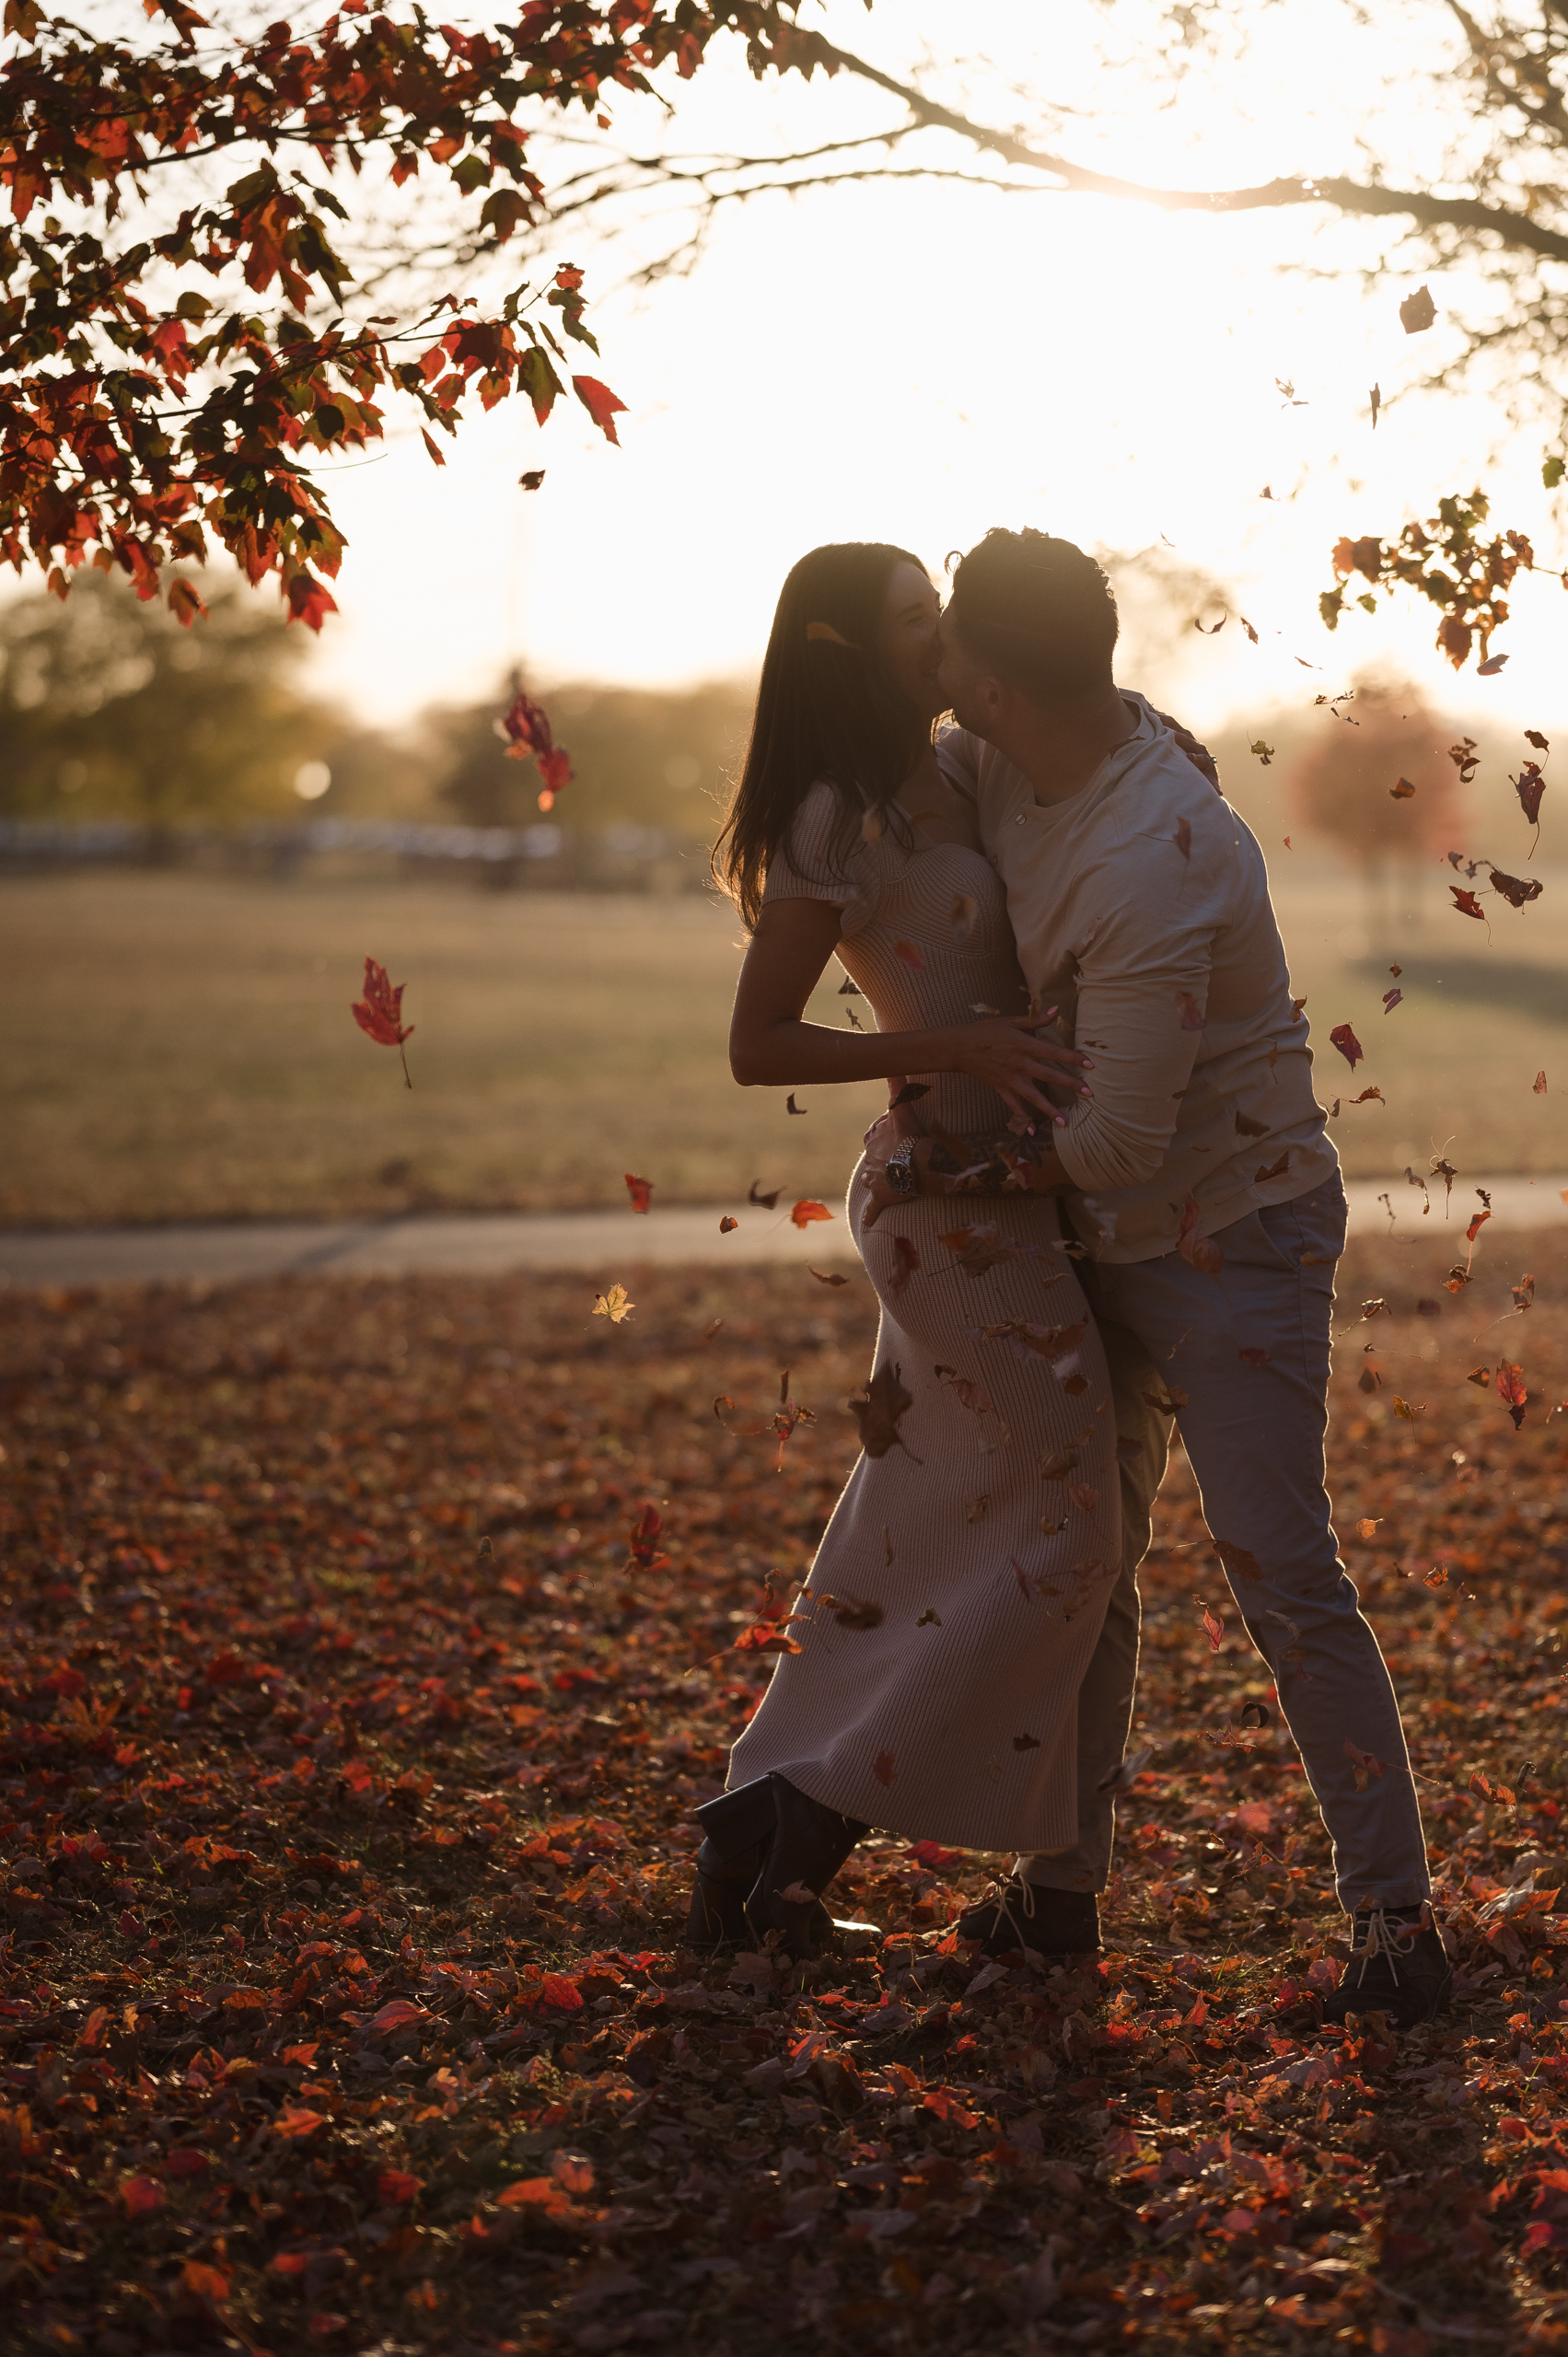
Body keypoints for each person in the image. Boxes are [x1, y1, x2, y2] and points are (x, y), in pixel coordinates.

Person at [859, 525, 1448, 2027]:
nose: (932, 676)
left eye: (946, 657)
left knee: (1282, 1572)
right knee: (1083, 1566)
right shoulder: (1001, 763)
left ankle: (1396, 1926)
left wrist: (943, 1176)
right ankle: (1061, 1900)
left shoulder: (1158, 850)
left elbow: (1117, 1141)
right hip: (1088, 1248)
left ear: (990, 682)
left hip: (1232, 1236)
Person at [689, 540, 1123, 1962]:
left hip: (1013, 1184)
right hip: (941, 1203)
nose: (943, 638)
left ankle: (760, 1831)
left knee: (911, 1523)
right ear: (846, 651)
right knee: (1078, 1526)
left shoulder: (960, 761)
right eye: (915, 621)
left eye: (942, 614)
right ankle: (810, 1816)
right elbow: (758, 1046)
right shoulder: (837, 817)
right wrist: (950, 1045)